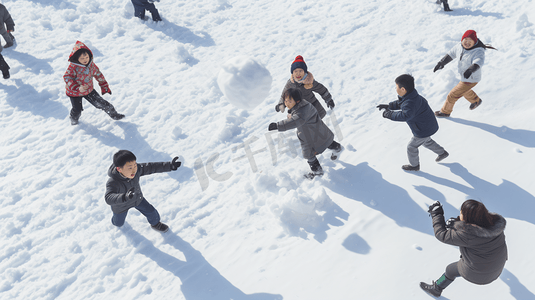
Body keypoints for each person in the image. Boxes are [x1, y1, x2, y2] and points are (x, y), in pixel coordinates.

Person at [421, 200, 507, 298]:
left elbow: (442, 235)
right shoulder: (494, 224)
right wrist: (457, 225)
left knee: (450, 270)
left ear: (468, 217)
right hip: (498, 266)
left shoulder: (467, 235)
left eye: (461, 213)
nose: (460, 214)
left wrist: (436, 214)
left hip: (479, 274)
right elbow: (475, 231)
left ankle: (436, 289)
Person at [377, 74, 448, 171]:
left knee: (411, 147)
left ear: (403, 89)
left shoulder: (410, 102)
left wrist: (389, 114)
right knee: (426, 141)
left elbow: (405, 115)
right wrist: (389, 106)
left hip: (422, 129)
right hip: (428, 126)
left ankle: (414, 166)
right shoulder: (413, 96)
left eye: (396, 87)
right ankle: (442, 153)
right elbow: (402, 104)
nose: (395, 89)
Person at [269, 88, 343, 179]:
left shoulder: (301, 113)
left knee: (309, 155)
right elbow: (297, 116)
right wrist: (292, 113)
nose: (286, 103)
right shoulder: (304, 104)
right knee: (326, 141)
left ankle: (317, 172)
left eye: (289, 101)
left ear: (297, 101)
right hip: (319, 130)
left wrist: (277, 125)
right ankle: (337, 148)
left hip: (309, 137)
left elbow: (293, 121)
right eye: (285, 101)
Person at [105, 150, 182, 232]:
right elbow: (108, 197)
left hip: (137, 198)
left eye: (135, 165)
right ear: (119, 169)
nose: (134, 170)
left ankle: (156, 224)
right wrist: (124, 197)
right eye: (130, 168)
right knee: (118, 223)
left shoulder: (137, 170)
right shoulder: (113, 182)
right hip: (121, 206)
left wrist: (170, 166)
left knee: (152, 212)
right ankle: (115, 221)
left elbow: (151, 167)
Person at [433, 30, 496, 117]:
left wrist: (471, 69)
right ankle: (476, 100)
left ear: (474, 42)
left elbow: (478, 61)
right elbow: (451, 54)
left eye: (470, 41)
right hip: (464, 76)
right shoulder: (459, 46)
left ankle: (445, 112)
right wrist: (441, 63)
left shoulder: (478, 51)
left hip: (472, 77)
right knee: (463, 90)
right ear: (462, 40)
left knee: (452, 95)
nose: (467, 43)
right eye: (465, 40)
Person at [63, 41, 125, 125]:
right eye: (82, 58)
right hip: (75, 92)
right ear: (77, 58)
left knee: (103, 104)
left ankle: (114, 115)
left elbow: (98, 75)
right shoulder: (73, 67)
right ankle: (73, 120)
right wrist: (78, 88)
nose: (85, 60)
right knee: (77, 110)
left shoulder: (91, 65)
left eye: (86, 57)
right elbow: (67, 77)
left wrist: (104, 86)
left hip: (88, 90)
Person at [276, 55, 335, 120]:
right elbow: (284, 95)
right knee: (301, 123)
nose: (298, 74)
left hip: (312, 105)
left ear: (304, 72)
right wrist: (281, 105)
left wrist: (328, 99)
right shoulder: (290, 83)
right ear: (292, 73)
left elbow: (321, 89)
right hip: (298, 108)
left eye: (300, 71)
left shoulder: (309, 81)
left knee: (317, 119)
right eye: (295, 71)